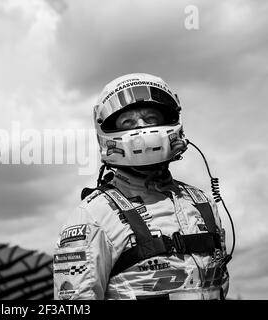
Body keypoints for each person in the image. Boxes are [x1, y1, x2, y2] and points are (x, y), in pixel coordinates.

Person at [53, 73, 230, 300]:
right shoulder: (93, 216)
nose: (142, 129)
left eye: (150, 118)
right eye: (128, 122)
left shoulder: (201, 202)